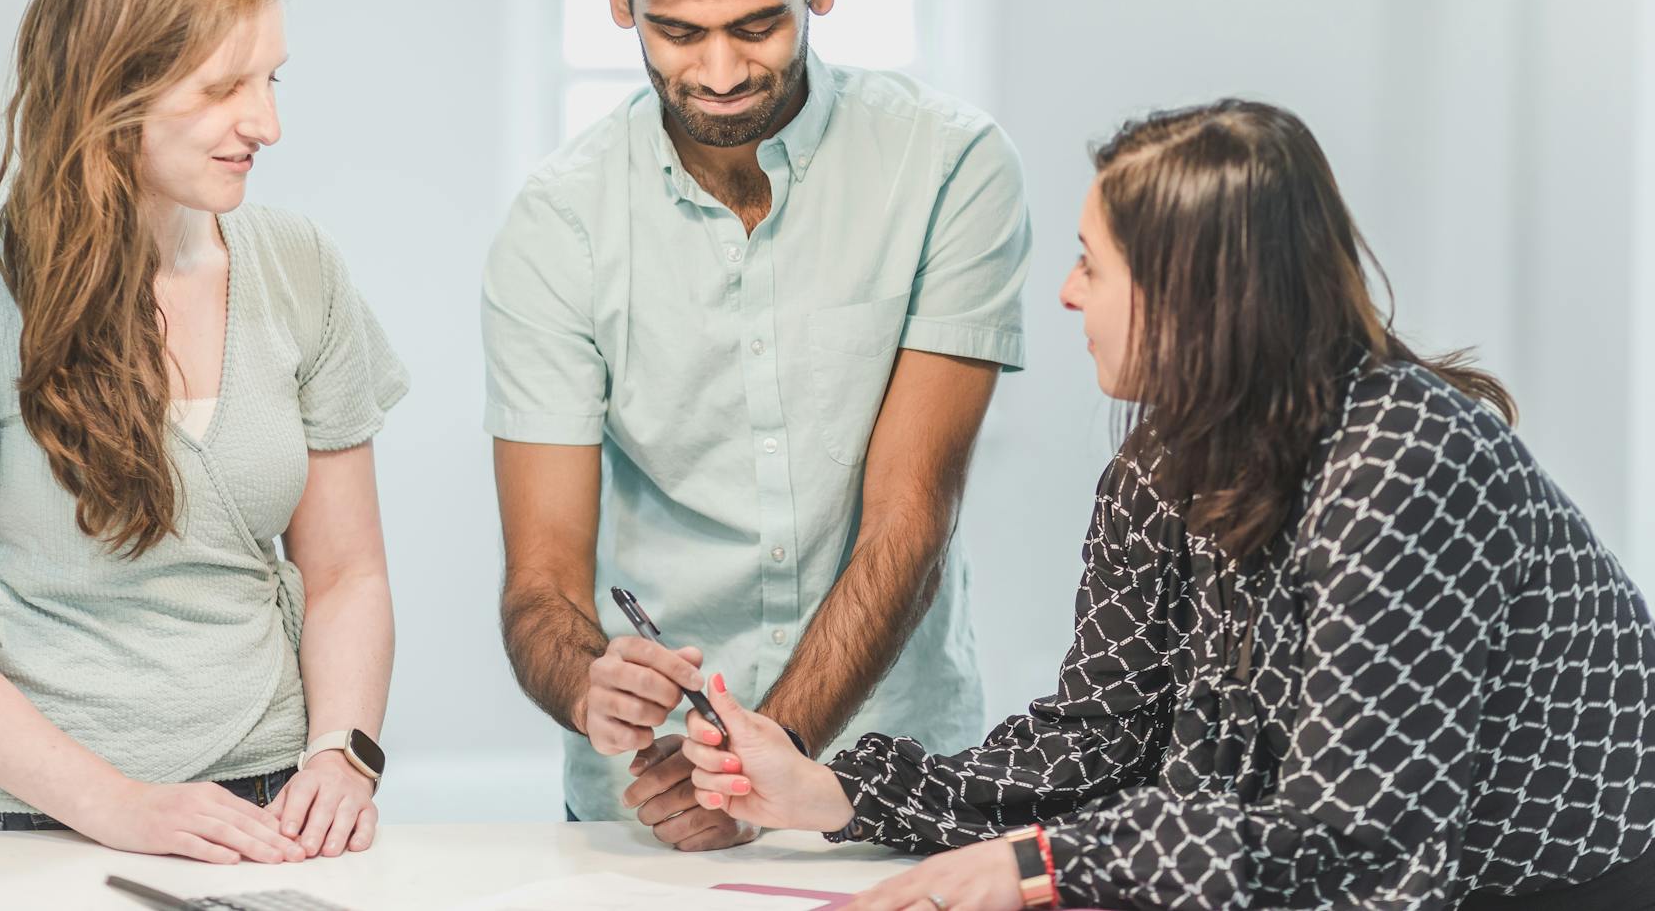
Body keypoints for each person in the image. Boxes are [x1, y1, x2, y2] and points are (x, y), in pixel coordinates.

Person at [677, 99, 1655, 909]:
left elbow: (1356, 835)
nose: (1064, 294)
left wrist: (1042, 862)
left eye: (1092, 263)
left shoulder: (1403, 461)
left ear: (1196, 295)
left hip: (1554, 882)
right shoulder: (1159, 462)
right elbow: (1098, 739)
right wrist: (836, 791)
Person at [482, 0, 1031, 847]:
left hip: (886, 777)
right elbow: (541, 582)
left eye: (755, 25)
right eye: (678, 32)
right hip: (648, 804)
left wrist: (755, 762)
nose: (721, 73)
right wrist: (583, 681)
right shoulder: (556, 222)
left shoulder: (950, 169)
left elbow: (908, 517)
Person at [0, 0, 408, 864]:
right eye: (224, 87)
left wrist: (344, 755)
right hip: (46, 823)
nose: (268, 123)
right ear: (111, 92)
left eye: (271, 80)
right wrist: (122, 807)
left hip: (278, 808)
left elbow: (348, 573)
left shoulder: (302, 265)